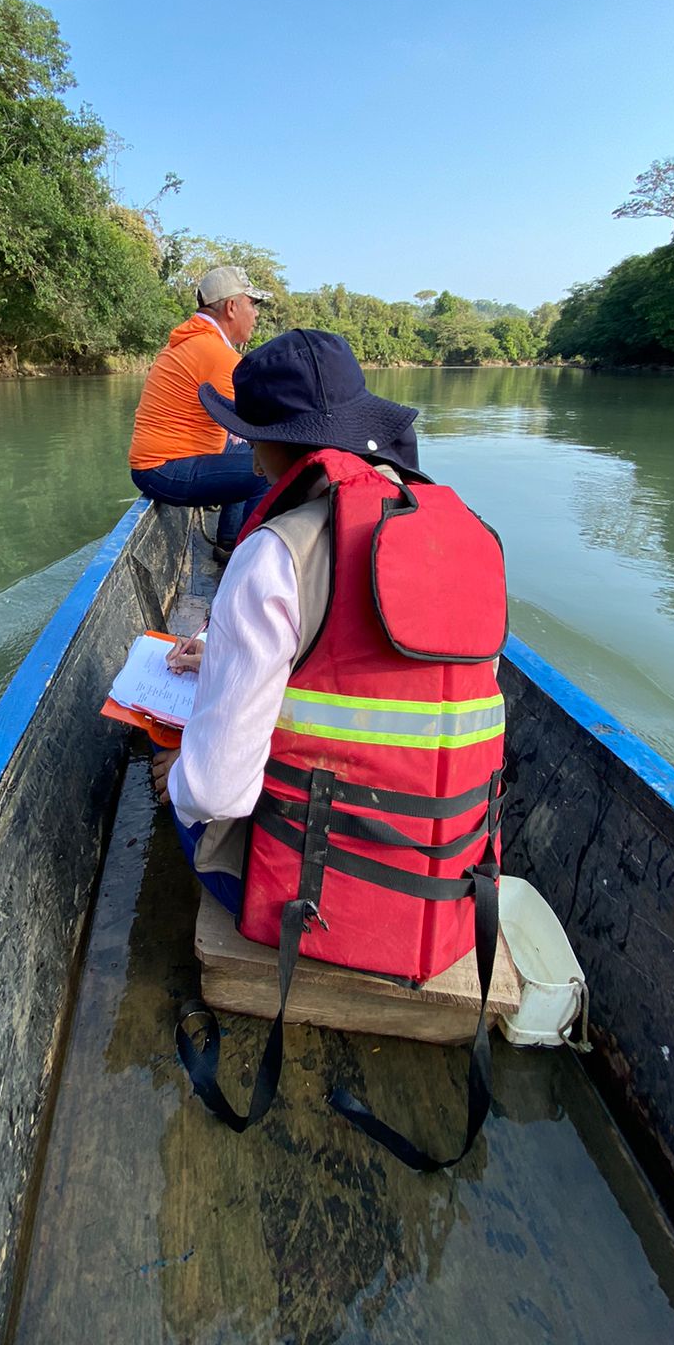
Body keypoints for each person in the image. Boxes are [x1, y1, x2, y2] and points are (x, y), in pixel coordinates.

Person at [150, 328, 508, 1162]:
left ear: (264, 444)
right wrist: (235, 660)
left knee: (178, 779)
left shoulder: (275, 554)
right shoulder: (465, 533)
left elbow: (216, 792)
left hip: (316, 900)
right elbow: (381, 681)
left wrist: (179, 763)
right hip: (456, 896)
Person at [128, 265, 271, 559]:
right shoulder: (216, 353)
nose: (256, 314)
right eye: (252, 304)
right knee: (269, 472)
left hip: (161, 462)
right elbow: (260, 423)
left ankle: (228, 543)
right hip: (164, 468)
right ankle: (245, 561)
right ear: (232, 307)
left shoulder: (196, 341)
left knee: (251, 453)